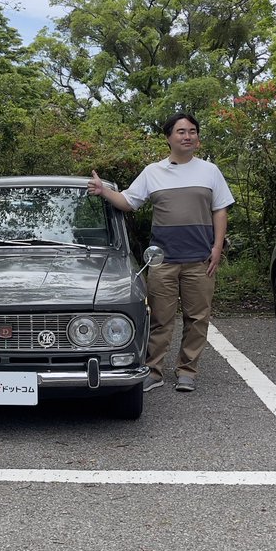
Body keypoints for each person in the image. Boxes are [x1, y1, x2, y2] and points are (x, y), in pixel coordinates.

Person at [88, 112, 234, 393]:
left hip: (200, 260)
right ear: (169, 138)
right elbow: (129, 201)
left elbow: (220, 210)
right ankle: (153, 371)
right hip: (162, 260)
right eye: (181, 131)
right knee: (159, 319)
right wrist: (104, 191)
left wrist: (217, 247)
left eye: (192, 131)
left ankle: (187, 370)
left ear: (198, 138)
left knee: (197, 318)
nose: (187, 136)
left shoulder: (210, 171)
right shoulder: (153, 172)